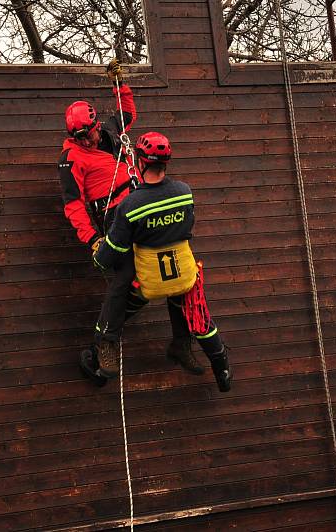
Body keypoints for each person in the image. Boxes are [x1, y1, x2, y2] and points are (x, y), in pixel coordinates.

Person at [59, 60, 203, 383]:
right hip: (115, 217)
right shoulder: (70, 159)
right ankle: (104, 347)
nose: (88, 140)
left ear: (96, 124)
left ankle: (181, 341)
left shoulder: (109, 135)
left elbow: (128, 112)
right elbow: (74, 206)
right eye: (80, 137)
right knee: (123, 278)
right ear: (72, 136)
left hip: (144, 204)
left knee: (177, 270)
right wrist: (93, 239)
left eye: (90, 132)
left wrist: (119, 81)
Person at [92, 132, 233, 392]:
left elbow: (114, 248)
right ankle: (193, 351)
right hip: (184, 275)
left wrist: (99, 258)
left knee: (119, 288)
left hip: (152, 282)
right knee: (191, 308)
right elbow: (186, 227)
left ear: (140, 162)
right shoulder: (184, 192)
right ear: (165, 162)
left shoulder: (130, 205)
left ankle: (104, 347)